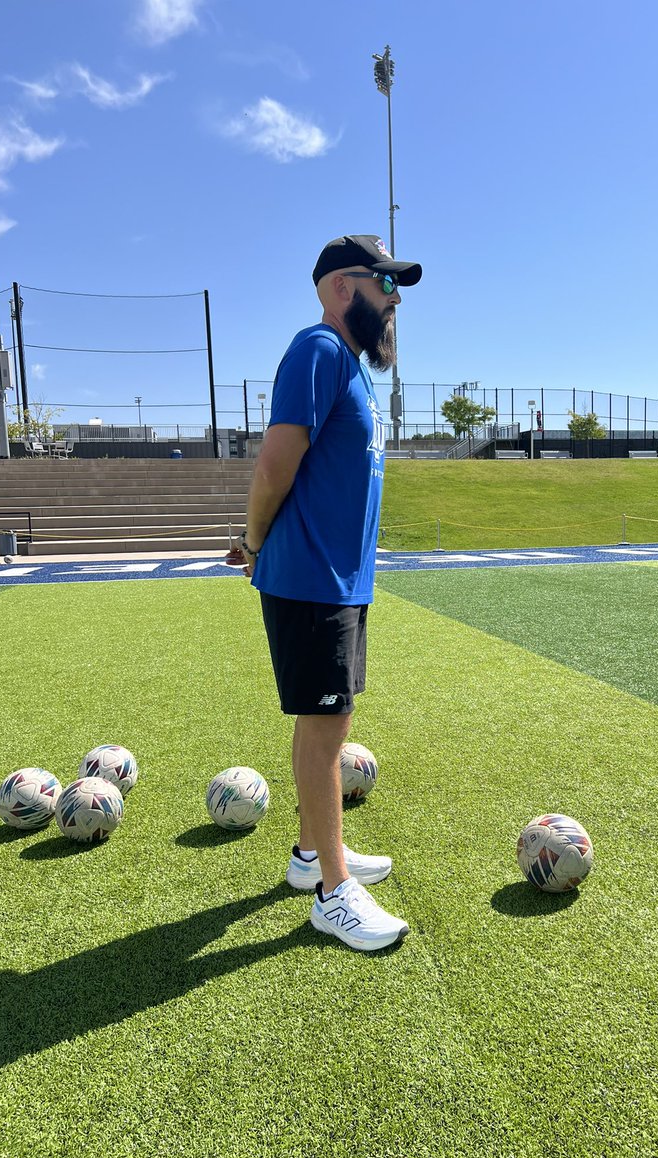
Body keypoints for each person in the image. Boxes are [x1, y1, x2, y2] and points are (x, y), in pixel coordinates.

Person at [227, 234, 422, 953]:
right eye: (385, 285)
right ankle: (334, 893)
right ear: (344, 287)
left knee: (326, 720)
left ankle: (312, 855)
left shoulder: (350, 367)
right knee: (324, 725)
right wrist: (252, 543)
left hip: (337, 577)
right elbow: (277, 460)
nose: (395, 300)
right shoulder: (318, 350)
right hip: (310, 577)